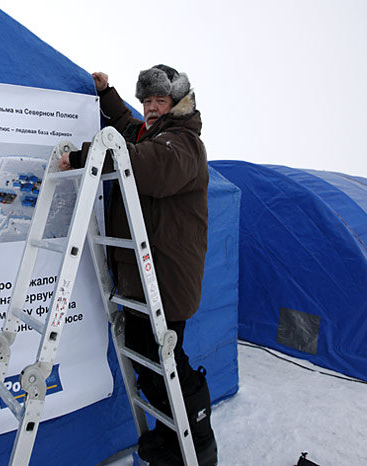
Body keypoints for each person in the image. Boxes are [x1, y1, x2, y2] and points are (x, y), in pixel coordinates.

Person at [59, 65, 217, 466]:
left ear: (176, 104)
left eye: (158, 101)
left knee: (166, 361)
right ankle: (169, 435)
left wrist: (80, 158)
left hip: (168, 280)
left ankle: (197, 444)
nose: (148, 108)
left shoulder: (184, 145)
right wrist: (107, 93)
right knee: (145, 360)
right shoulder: (153, 133)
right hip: (144, 278)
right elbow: (127, 125)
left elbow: (143, 165)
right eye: (146, 100)